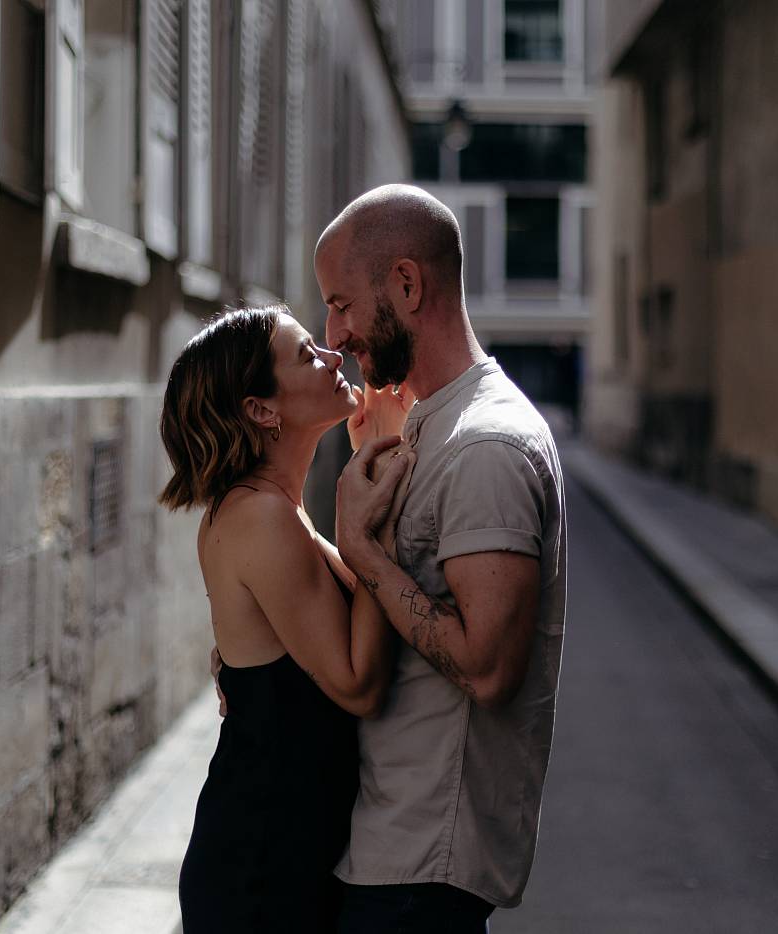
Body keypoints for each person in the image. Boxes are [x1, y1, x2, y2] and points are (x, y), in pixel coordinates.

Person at [315, 184, 568, 933]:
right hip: (389, 848)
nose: (333, 333)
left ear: (405, 284)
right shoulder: (433, 425)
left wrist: (360, 547)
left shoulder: (486, 447)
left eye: (341, 303)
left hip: (422, 869)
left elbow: (488, 668)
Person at [159, 305, 415, 934]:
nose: (332, 354)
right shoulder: (260, 516)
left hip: (282, 850)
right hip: (260, 868)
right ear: (261, 410)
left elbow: (358, 609)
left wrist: (374, 461)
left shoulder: (274, 509)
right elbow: (358, 682)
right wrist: (370, 528)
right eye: (306, 354)